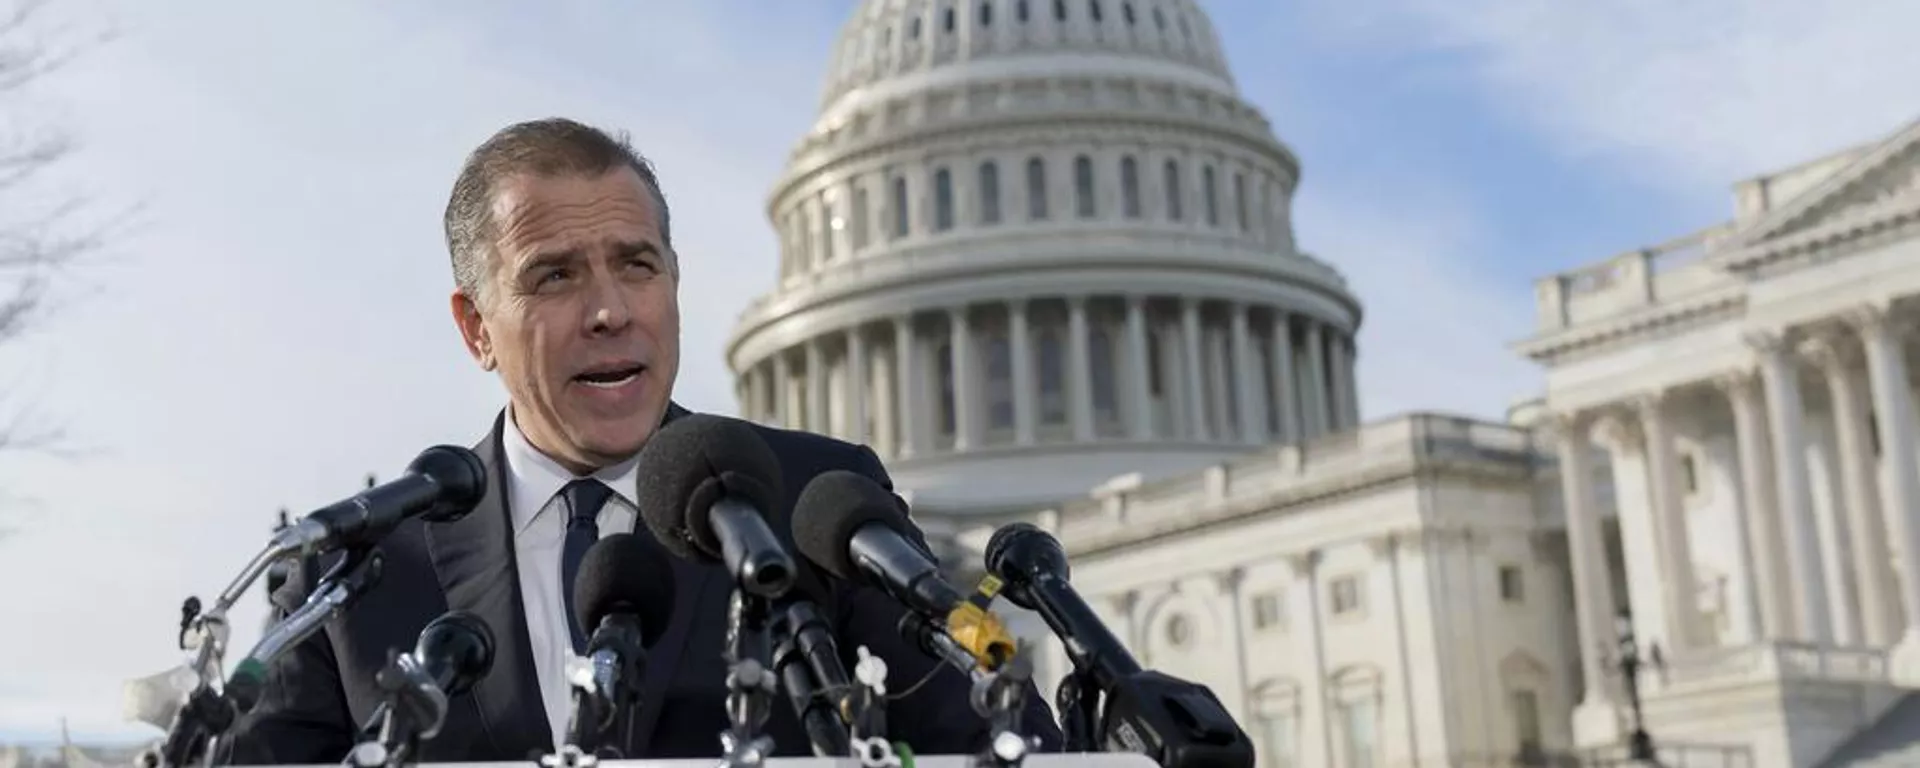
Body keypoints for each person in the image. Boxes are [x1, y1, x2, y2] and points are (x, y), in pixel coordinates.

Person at [221, 118, 1062, 763]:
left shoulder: (814, 505)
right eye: (555, 275)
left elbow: (1004, 735)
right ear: (476, 328)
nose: (610, 311)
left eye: (637, 265)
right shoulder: (360, 576)